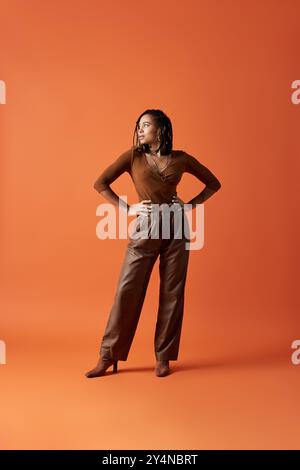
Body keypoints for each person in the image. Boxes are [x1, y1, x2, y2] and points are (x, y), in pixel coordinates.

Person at [85, 109, 221, 378]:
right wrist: (128, 208)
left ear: (160, 130)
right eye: (138, 125)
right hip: (145, 229)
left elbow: (213, 183)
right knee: (128, 290)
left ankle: (164, 358)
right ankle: (108, 355)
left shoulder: (181, 159)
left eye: (145, 125)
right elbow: (100, 183)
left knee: (172, 293)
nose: (140, 129)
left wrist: (191, 206)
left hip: (176, 228)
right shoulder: (133, 156)